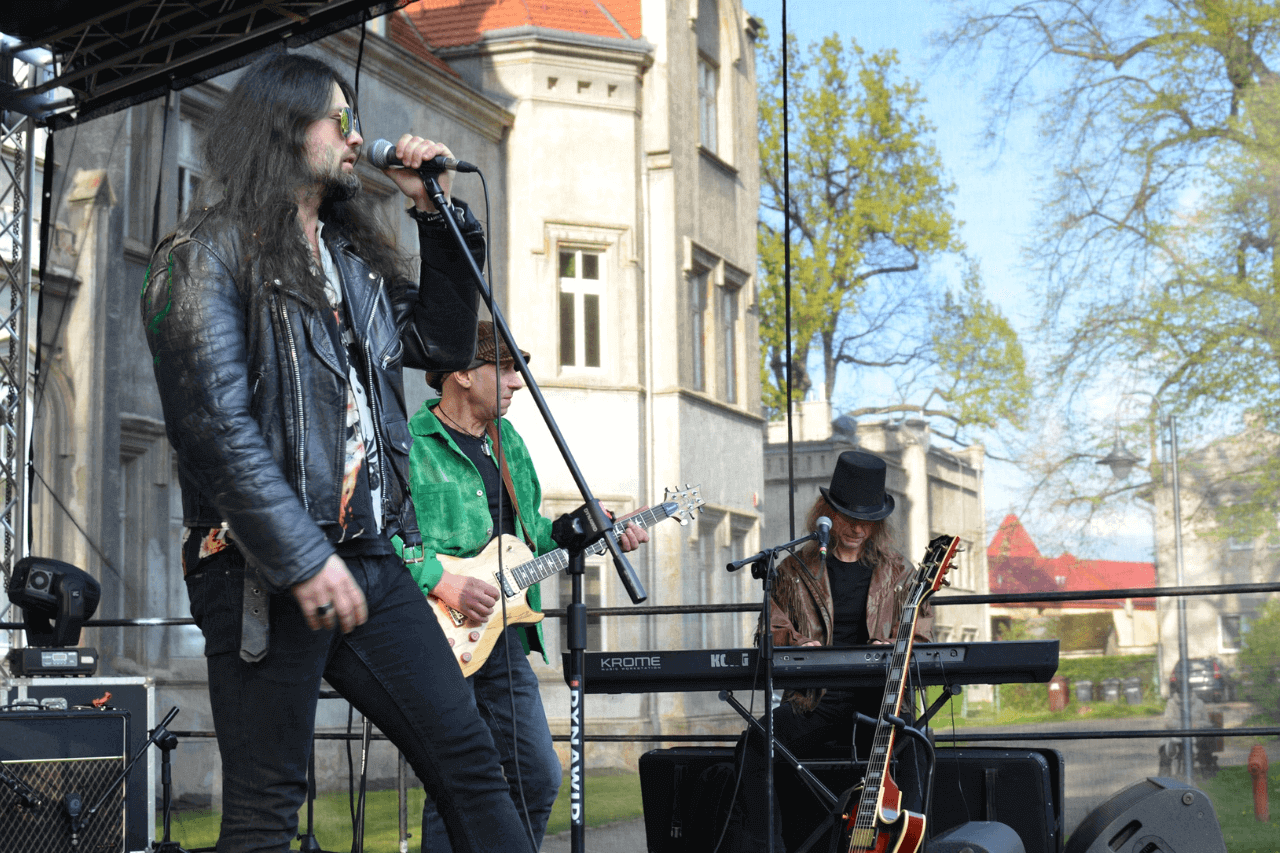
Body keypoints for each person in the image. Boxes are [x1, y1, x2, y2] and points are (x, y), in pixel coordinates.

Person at [139, 53, 534, 852]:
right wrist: (300, 557)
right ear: (287, 131)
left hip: (372, 560)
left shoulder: (351, 267)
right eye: (340, 120)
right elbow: (216, 428)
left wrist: (438, 217)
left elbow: (443, 340)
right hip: (259, 566)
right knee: (265, 810)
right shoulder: (202, 254)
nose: (358, 138)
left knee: (471, 761)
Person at [403, 321, 647, 851]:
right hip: (437, 638)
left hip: (505, 636)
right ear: (463, 373)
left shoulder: (507, 442)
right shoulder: (410, 446)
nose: (518, 383)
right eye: (507, 368)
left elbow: (533, 539)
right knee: (453, 782)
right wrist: (443, 583)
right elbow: (387, 540)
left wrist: (586, 528)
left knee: (537, 775)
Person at [725, 450, 932, 852]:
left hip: (881, 700)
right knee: (756, 743)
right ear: (827, 514)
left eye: (866, 521)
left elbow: (921, 634)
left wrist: (898, 643)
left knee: (918, 743)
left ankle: (910, 846)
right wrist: (800, 644)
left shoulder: (899, 572)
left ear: (877, 524)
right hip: (814, 700)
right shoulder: (794, 570)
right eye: (847, 517)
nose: (856, 528)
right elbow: (770, 631)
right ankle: (767, 847)